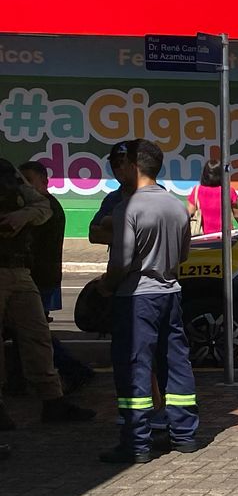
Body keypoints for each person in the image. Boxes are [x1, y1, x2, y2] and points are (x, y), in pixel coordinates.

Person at [99, 140, 198, 464]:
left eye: (122, 164)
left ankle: (136, 443)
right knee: (176, 363)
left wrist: (106, 287)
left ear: (134, 167)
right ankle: (184, 435)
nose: (119, 170)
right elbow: (183, 255)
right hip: (171, 293)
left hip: (136, 297)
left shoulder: (128, 208)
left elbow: (122, 262)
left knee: (134, 367)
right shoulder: (177, 206)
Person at [0, 158, 95, 431]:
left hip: (18, 267)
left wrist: (20, 217)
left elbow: (43, 207)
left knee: (37, 334)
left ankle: (53, 399)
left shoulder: (7, 170)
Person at [17, 161, 93, 394]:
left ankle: (72, 370)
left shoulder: (45, 209)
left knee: (34, 333)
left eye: (30, 181)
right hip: (40, 277)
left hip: (39, 278)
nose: (25, 187)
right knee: (31, 332)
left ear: (44, 182)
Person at [186, 160, 238, 236]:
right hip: (225, 236)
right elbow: (237, 214)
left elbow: (189, 213)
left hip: (203, 236)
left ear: (204, 174)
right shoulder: (229, 191)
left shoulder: (197, 190)